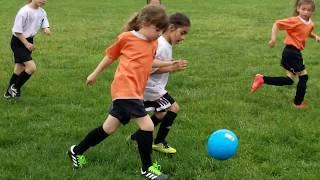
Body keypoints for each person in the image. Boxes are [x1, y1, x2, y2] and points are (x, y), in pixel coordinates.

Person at [67, 5, 170, 180]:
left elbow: (150, 61)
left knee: (108, 128)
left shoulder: (152, 43)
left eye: (162, 30)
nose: (160, 34)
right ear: (145, 23)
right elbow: (110, 56)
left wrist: (169, 64)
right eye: (157, 29)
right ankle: (147, 168)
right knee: (147, 126)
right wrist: (95, 73)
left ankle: (76, 151)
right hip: (125, 90)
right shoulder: (126, 38)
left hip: (136, 92)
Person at [128, 12, 191, 154]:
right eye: (182, 33)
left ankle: (137, 137)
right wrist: (171, 67)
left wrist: (170, 67)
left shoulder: (165, 44)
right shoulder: (161, 45)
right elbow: (148, 69)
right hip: (150, 86)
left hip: (154, 86)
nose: (183, 38)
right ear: (172, 27)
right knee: (174, 108)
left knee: (161, 115)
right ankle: (159, 142)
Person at [251, 0, 320, 109]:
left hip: (294, 53)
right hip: (291, 52)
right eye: (303, 9)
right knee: (304, 77)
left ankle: (262, 79)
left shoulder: (310, 23)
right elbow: (277, 24)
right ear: (298, 9)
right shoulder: (294, 20)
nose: (306, 12)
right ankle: (298, 104)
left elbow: (307, 32)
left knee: (289, 80)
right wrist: (273, 39)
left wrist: (315, 36)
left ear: (313, 11)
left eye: (309, 10)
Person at [4, 0, 50, 98]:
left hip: (29, 41)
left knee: (19, 68)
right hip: (18, 41)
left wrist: (46, 29)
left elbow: (44, 22)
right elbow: (17, 31)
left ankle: (8, 94)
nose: (43, 0)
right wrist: (26, 43)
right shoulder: (24, 12)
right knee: (31, 68)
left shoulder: (42, 12)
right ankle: (15, 87)